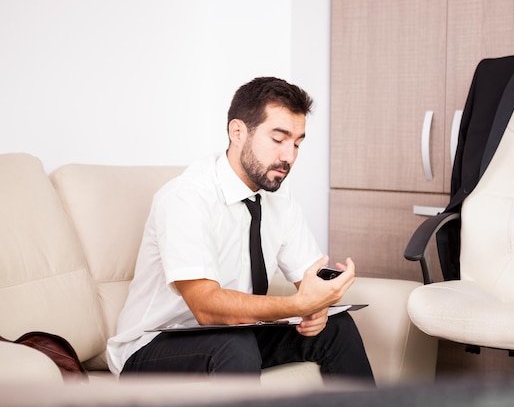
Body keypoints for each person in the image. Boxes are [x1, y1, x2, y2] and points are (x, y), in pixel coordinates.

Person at [106, 76, 375, 385]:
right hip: (152, 347)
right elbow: (206, 308)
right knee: (233, 344)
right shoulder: (186, 197)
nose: (289, 157)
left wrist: (321, 301)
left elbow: (308, 278)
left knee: (338, 328)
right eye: (278, 139)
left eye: (297, 143)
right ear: (238, 131)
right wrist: (297, 305)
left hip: (232, 333)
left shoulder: (278, 197)